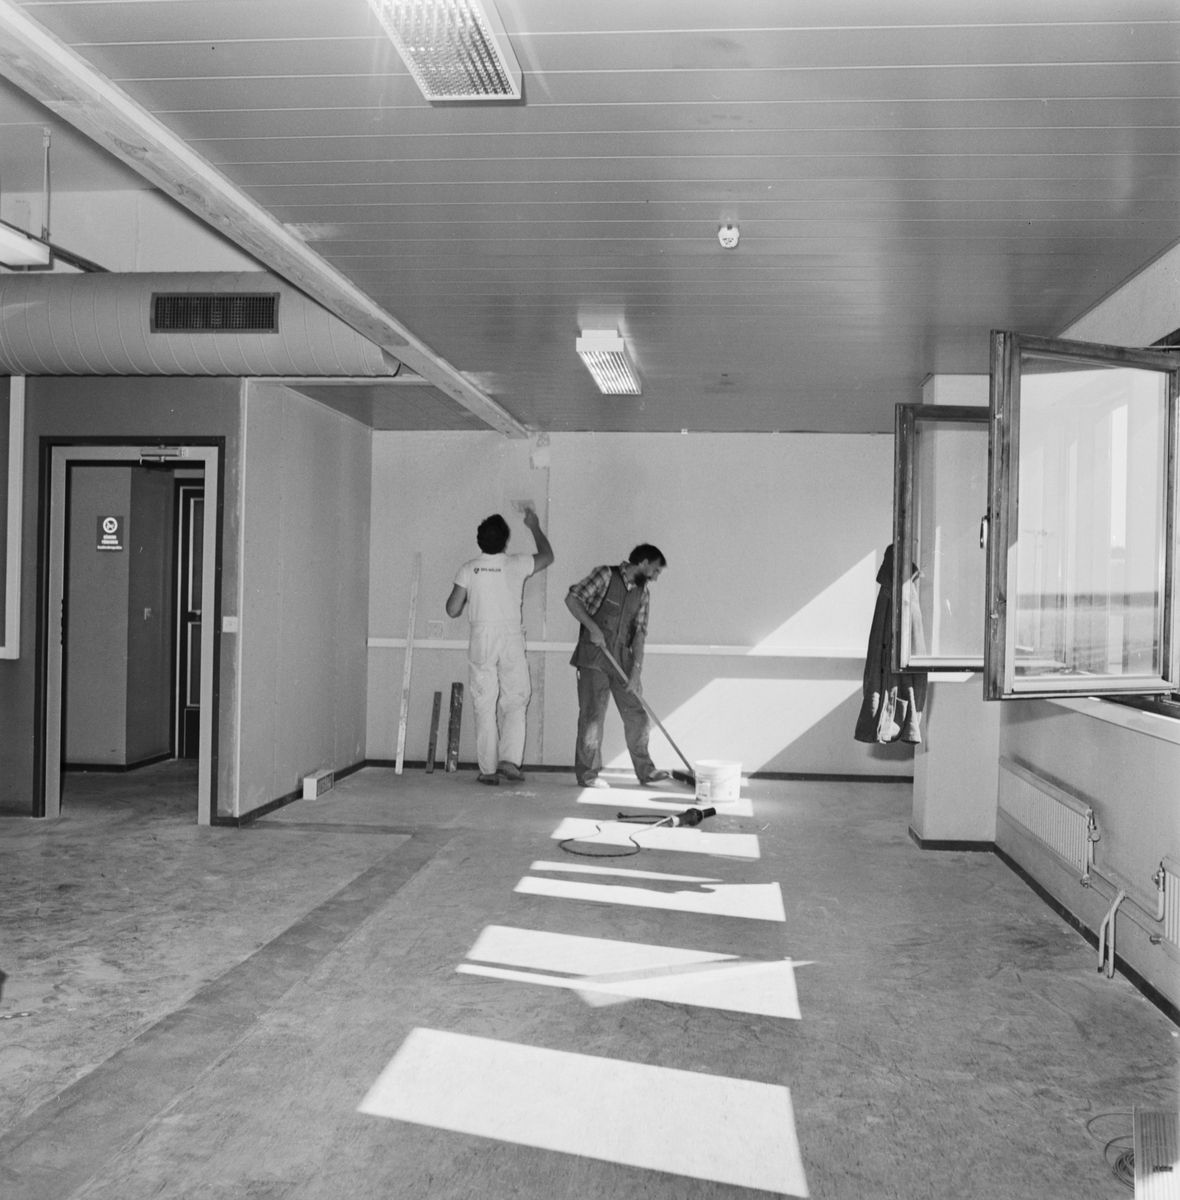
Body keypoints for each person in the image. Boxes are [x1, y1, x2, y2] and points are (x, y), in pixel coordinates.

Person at [447, 509, 553, 785]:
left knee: (484, 703)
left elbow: (452, 609)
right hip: (510, 638)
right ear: (505, 542)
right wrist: (534, 526)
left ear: (479, 541)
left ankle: (488, 770)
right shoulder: (516, 563)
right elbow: (547, 556)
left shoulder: (469, 568)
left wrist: (473, 594)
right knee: (516, 700)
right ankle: (509, 761)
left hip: (481, 639)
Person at [565, 545, 671, 789]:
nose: (655, 577)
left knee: (637, 714)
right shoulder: (605, 575)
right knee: (592, 715)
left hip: (622, 658)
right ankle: (588, 775)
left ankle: (646, 770)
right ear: (643, 563)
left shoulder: (643, 594)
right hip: (594, 657)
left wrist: (636, 671)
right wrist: (592, 628)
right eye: (655, 570)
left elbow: (640, 635)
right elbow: (572, 599)